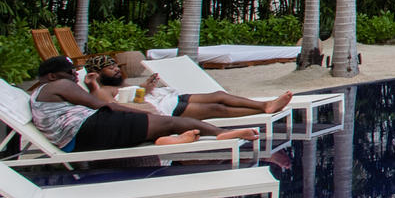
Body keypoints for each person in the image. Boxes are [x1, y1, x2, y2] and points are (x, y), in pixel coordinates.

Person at [28, 58, 260, 152]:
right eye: (68, 73)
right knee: (167, 121)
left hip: (78, 138)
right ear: (50, 76)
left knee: (161, 125)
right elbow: (101, 106)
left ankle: (166, 139)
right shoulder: (59, 85)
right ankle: (221, 134)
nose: (72, 76)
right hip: (87, 130)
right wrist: (132, 112)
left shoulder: (41, 92)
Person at [89, 63, 293, 123]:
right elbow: (114, 107)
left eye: (115, 65)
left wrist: (146, 88)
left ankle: (265, 105)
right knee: (215, 109)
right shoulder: (103, 91)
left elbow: (133, 97)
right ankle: (261, 110)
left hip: (168, 98)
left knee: (218, 95)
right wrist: (94, 85)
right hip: (164, 110)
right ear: (97, 74)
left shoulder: (118, 85)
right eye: (109, 68)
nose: (116, 69)